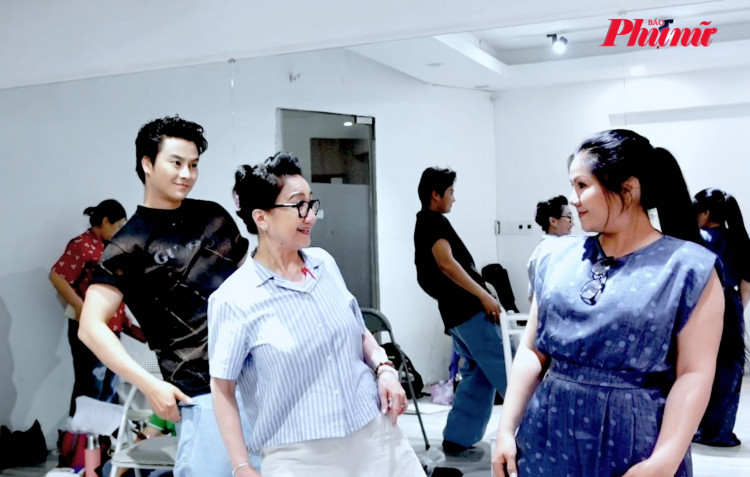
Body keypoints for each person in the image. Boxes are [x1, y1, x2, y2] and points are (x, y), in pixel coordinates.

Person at [492, 129, 724, 477]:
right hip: (545, 438)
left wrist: (664, 461)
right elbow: (532, 351)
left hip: (635, 447)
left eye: (582, 185)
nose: (574, 200)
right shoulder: (554, 257)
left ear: (628, 190)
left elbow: (694, 374)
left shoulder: (688, 268)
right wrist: (505, 430)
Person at [208, 153, 423, 477]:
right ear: (262, 218)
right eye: (298, 205)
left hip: (376, 436)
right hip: (300, 459)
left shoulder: (324, 264)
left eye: (311, 203)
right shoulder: (234, 299)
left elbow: (357, 329)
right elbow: (222, 389)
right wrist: (241, 466)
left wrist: (384, 369)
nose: (310, 215)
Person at [78, 116, 256, 476]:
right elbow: (90, 326)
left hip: (258, 378)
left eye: (194, 165)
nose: (186, 174)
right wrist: (150, 385)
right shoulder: (128, 244)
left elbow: (252, 282)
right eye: (176, 163)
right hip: (202, 391)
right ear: (148, 163)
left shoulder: (214, 217)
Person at [413, 167, 507, 456]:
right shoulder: (434, 222)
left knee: (478, 375)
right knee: (509, 371)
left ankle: (458, 438)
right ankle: (538, 434)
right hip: (469, 311)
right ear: (436, 194)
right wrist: (484, 295)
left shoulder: (423, 223)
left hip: (455, 315)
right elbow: (447, 264)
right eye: (451, 192)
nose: (454, 198)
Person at [49, 199, 130, 416]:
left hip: (112, 326)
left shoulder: (112, 247)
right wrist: (81, 308)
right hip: (91, 327)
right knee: (91, 385)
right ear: (105, 221)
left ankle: (103, 435)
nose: (121, 231)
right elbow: (57, 276)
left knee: (110, 386)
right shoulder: (82, 245)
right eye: (118, 226)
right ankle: (81, 436)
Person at [692, 187, 749, 447]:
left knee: (699, 364)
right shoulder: (739, 238)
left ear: (705, 212)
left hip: (703, 302)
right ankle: (720, 431)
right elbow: (747, 283)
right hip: (732, 302)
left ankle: (696, 427)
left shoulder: (699, 239)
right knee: (729, 369)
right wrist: (737, 310)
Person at [527, 195, 574, 301]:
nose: (572, 223)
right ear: (553, 221)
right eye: (569, 217)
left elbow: (531, 296)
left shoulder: (540, 250)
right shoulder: (557, 249)